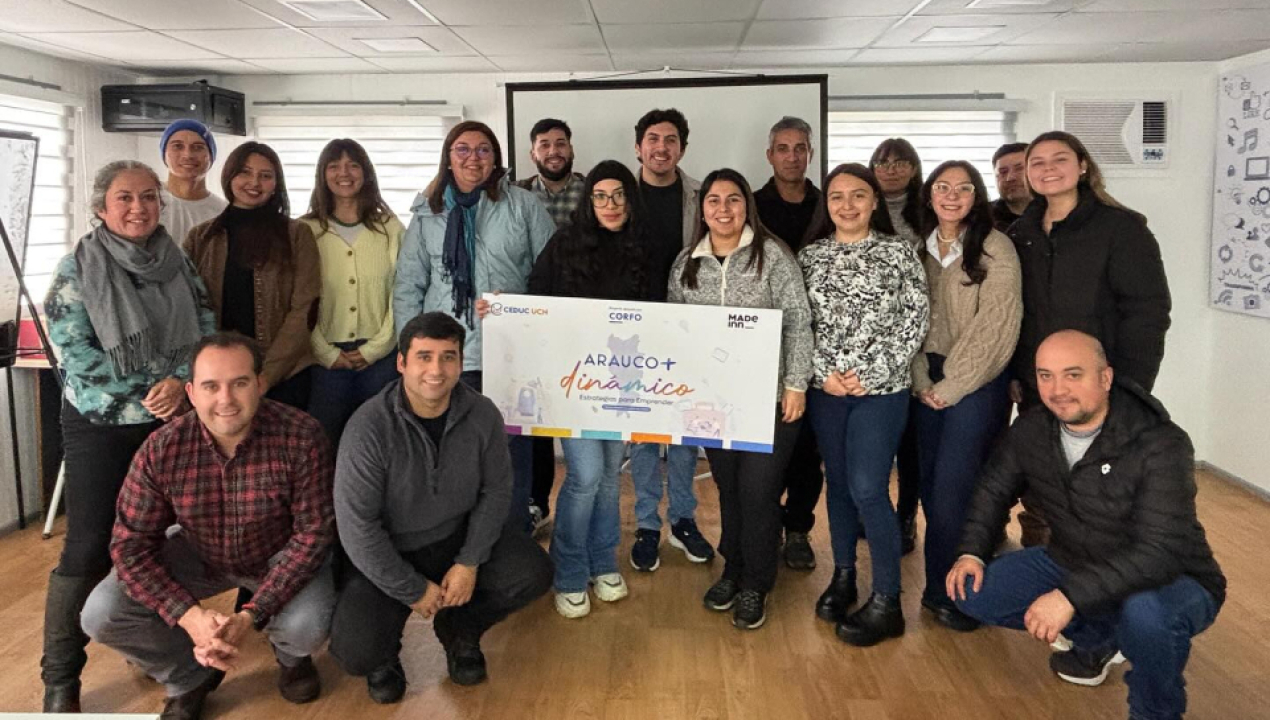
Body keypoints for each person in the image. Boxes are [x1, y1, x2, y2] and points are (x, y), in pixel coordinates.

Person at [948, 330, 1224, 720]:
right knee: (972, 592)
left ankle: (1155, 711)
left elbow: (1159, 553)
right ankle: (1101, 639)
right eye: (1045, 376)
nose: (1057, 390)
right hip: (1073, 558)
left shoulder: (1160, 443)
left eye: (1073, 375)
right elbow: (994, 489)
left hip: (1174, 577)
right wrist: (972, 552)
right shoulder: (1033, 429)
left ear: (1105, 378)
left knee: (1147, 616)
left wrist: (1069, 598)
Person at [81, 334, 337, 720]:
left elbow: (313, 535)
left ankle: (291, 658)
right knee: (101, 612)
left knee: (308, 624)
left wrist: (251, 616)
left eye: (239, 383)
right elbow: (130, 545)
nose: (225, 399)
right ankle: (189, 674)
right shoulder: (161, 449)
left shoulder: (302, 435)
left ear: (260, 384)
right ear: (191, 393)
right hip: (199, 551)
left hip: (277, 554)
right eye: (211, 386)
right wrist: (191, 618)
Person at [40, 160, 215, 713]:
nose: (138, 207)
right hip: (100, 425)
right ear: (101, 207)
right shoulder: (77, 267)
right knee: (89, 546)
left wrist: (182, 380)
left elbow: (206, 326)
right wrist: (154, 389)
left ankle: (154, 649)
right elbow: (76, 353)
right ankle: (60, 677)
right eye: (124, 198)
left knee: (159, 541)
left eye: (148, 197)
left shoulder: (177, 261)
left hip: (170, 424)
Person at [328, 312, 552, 700]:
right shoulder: (368, 428)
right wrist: (412, 589)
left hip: (455, 538)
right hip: (392, 549)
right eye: (424, 357)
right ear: (401, 363)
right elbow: (357, 527)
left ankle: (460, 628)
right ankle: (384, 656)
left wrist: (469, 562)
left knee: (533, 572)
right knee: (355, 652)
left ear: (461, 363)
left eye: (448, 357)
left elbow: (496, 492)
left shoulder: (482, 414)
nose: (436, 370)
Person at [1008, 132, 1171, 547]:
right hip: (1039, 384)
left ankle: (1100, 576)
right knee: (1042, 484)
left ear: (1082, 166)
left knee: (1103, 486)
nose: (1048, 169)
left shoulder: (1121, 228)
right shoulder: (1020, 234)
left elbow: (1148, 312)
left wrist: (1130, 386)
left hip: (1103, 385)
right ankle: (1042, 567)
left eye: (1059, 159)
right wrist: (1017, 373)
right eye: (1037, 162)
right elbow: (1016, 313)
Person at [393, 120, 555, 534]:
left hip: (510, 352)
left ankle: (513, 537)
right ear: (448, 158)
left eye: (483, 150)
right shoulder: (428, 211)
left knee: (510, 452)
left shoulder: (523, 205)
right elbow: (409, 285)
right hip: (447, 357)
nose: (473, 158)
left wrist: (516, 305)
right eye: (462, 149)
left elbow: (553, 274)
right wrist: (411, 353)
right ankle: (459, 540)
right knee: (453, 453)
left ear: (495, 158)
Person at [668, 169, 813, 630]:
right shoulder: (686, 262)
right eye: (714, 200)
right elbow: (675, 331)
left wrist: (796, 383)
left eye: (733, 199)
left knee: (758, 491)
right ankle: (733, 569)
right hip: (713, 403)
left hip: (770, 400)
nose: (724, 209)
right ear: (702, 208)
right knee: (729, 490)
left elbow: (798, 320)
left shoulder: (773, 256)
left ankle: (757, 582)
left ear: (747, 205)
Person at [800, 163, 929, 647]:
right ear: (826, 204)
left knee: (868, 487)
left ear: (874, 201)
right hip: (827, 391)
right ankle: (844, 576)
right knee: (837, 483)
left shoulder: (899, 252)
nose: (847, 205)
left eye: (858, 195)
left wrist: (870, 373)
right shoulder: (810, 257)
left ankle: (888, 600)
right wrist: (822, 374)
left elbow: (915, 321)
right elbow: (797, 323)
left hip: (883, 391)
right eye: (837, 196)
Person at [518, 160, 651, 619]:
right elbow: (534, 301)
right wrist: (499, 313)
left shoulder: (644, 248)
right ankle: (570, 569)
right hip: (573, 386)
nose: (610, 204)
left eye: (619, 195)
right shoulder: (564, 245)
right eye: (600, 196)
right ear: (588, 201)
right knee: (587, 474)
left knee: (611, 477)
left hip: (625, 386)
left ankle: (603, 560)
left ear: (630, 200)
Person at [911, 160, 1022, 632]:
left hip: (977, 380)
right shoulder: (915, 247)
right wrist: (921, 380)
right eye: (942, 187)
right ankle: (938, 585)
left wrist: (952, 385)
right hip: (924, 378)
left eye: (963, 188)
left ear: (977, 195)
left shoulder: (997, 248)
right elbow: (905, 321)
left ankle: (954, 594)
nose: (952, 195)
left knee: (956, 488)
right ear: (929, 195)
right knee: (930, 487)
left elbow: (996, 327)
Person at [627, 108, 714, 571]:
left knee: (684, 432)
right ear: (638, 146)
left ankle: (683, 520)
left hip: (689, 327)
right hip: (635, 331)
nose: (661, 147)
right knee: (643, 436)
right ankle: (646, 524)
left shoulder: (701, 196)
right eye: (653, 139)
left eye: (671, 140)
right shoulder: (621, 195)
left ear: (682, 147)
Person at [184, 141, 321, 410]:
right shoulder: (201, 237)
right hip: (220, 376)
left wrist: (266, 375)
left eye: (265, 175)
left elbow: (306, 308)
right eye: (245, 172)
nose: (254, 183)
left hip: (286, 375)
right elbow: (187, 308)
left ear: (276, 184)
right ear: (229, 176)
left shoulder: (297, 235)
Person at [753, 115, 824, 572]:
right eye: (783, 148)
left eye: (800, 148)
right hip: (759, 345)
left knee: (806, 448)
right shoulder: (752, 205)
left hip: (816, 340)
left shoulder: (827, 204)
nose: (792, 156)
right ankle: (766, 526)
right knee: (765, 447)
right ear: (770, 155)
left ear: (810, 154)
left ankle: (798, 527)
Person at [301, 139, 405, 443]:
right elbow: (299, 298)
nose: (344, 173)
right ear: (323, 174)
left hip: (381, 357)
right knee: (324, 440)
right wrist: (324, 351)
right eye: (334, 166)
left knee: (381, 439)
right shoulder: (306, 229)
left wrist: (377, 348)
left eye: (353, 165)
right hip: (324, 358)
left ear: (366, 172)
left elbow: (402, 290)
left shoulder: (390, 228)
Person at [514, 118, 587, 536]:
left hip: (582, 321)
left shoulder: (592, 192)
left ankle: (583, 503)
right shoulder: (516, 195)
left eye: (561, 143)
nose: (553, 151)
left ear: (571, 149)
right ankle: (536, 502)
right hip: (534, 320)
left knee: (580, 410)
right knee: (535, 417)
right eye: (545, 144)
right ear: (533, 153)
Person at [869, 137, 925, 555]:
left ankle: (906, 515)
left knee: (910, 443)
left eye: (900, 162)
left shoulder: (927, 212)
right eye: (883, 162)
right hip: (869, 343)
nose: (891, 169)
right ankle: (875, 515)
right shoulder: (863, 209)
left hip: (917, 338)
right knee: (875, 444)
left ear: (914, 168)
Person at [158, 119, 226, 245]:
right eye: (178, 146)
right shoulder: (146, 201)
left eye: (198, 147)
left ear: (211, 156)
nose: (188, 155)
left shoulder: (223, 213)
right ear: (164, 154)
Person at [991, 142, 1030, 233]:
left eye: (1019, 169)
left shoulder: (1056, 214)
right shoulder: (981, 218)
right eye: (1003, 172)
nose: (1010, 178)